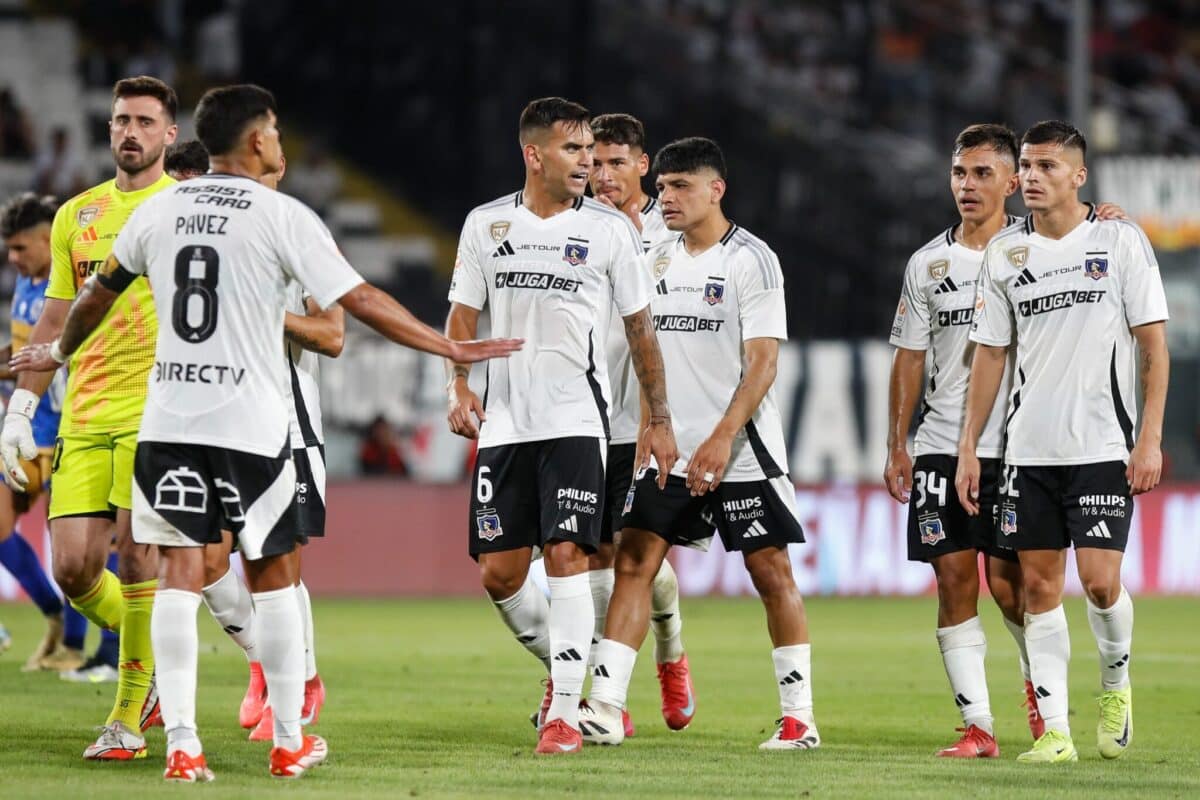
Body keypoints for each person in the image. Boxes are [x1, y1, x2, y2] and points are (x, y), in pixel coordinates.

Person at [11, 83, 520, 782]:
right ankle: (287, 740)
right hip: (250, 423)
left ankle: (184, 745)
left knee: (179, 579)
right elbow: (360, 301)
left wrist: (62, 354)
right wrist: (448, 348)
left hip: (168, 422)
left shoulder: (158, 213)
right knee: (276, 580)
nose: (280, 141)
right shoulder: (283, 215)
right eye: (275, 129)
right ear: (256, 140)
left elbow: (96, 295)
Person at [445, 97, 677, 756]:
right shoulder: (485, 225)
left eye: (590, 151)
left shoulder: (610, 231)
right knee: (499, 573)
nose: (587, 163)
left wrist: (658, 418)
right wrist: (456, 385)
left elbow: (640, 330)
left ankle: (566, 713)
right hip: (505, 423)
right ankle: (567, 671)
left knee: (568, 554)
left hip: (577, 419)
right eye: (573, 150)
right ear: (534, 154)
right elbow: (464, 312)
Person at [582, 137, 817, 751]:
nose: (666, 197)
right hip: (669, 449)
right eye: (661, 187)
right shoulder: (653, 255)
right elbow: (642, 351)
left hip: (741, 450)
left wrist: (720, 438)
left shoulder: (752, 261)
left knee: (771, 573)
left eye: (679, 186)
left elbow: (762, 364)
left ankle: (799, 718)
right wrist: (652, 425)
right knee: (634, 562)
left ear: (716, 189)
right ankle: (605, 706)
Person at [956, 120, 1169, 764]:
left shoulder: (1119, 239)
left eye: (1048, 166)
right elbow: (990, 355)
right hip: (1027, 451)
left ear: (1078, 175)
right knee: (1039, 590)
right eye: (1026, 165)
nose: (1031, 177)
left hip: (1103, 446)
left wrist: (1150, 439)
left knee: (1102, 584)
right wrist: (971, 446)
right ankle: (1055, 732)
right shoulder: (1004, 254)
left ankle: (1114, 683)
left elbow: (1153, 347)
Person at [0, 76, 179, 761]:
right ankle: (155, 660)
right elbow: (53, 318)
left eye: (144, 121)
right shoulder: (76, 214)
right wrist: (20, 409)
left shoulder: (184, 208)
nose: (129, 132)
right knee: (74, 570)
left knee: (136, 557)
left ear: (169, 134)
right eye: (119, 121)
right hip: (84, 412)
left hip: (159, 413)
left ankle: (127, 718)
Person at [166, 140, 335, 740]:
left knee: (278, 564)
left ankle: (302, 681)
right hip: (206, 426)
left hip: (286, 426)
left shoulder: (296, 233)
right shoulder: (183, 244)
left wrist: (264, 314)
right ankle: (266, 659)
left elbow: (334, 335)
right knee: (206, 565)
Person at [587, 112, 692, 735]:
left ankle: (669, 653)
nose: (602, 176)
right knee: (599, 550)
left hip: (646, 417)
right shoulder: (578, 227)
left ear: (643, 166)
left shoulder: (669, 230)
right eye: (594, 163)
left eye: (616, 163)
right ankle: (602, 690)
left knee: (636, 551)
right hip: (587, 414)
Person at [0, 192, 80, 673]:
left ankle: (75, 643)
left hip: (70, 424)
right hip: (29, 425)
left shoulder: (71, 284)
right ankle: (53, 617)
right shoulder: (27, 284)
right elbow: (20, 352)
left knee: (73, 542)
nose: (12, 258)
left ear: (50, 238)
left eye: (20, 248)